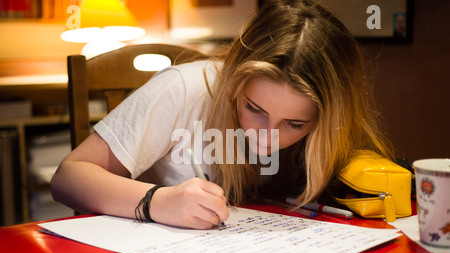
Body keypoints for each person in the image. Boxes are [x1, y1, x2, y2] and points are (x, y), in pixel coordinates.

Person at [51, 0, 394, 229]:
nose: (266, 137)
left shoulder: (329, 127)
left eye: (294, 124)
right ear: (234, 80)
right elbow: (68, 177)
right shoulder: (184, 89)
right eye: (254, 109)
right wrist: (158, 201)